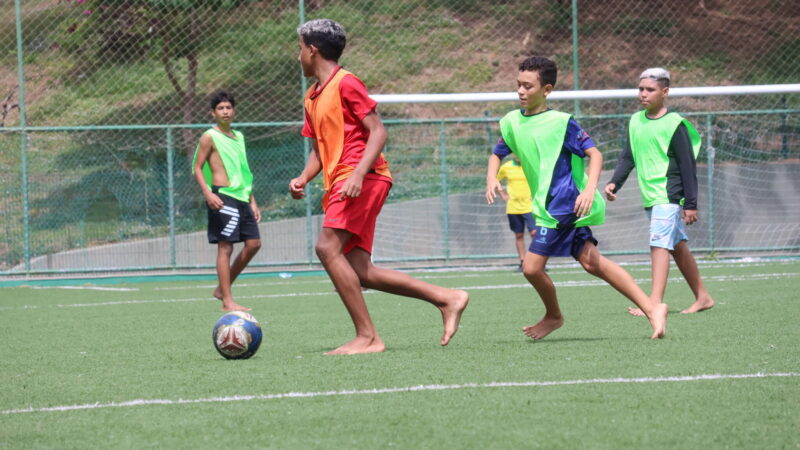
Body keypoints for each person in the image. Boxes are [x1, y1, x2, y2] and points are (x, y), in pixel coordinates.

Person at [289, 19, 469, 355]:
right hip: (343, 181)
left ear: (312, 50)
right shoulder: (311, 97)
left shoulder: (346, 83)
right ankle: (447, 298)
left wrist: (357, 173)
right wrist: (303, 177)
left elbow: (378, 131)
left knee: (327, 248)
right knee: (362, 271)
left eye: (299, 49)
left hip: (362, 178)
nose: (296, 57)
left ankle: (368, 337)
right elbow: (318, 150)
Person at [485, 56, 668, 340]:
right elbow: (497, 152)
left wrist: (588, 189)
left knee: (532, 268)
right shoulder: (511, 122)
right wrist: (491, 177)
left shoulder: (562, 123)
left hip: (564, 204)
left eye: (528, 86)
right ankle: (651, 308)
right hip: (547, 205)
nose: (521, 91)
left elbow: (594, 154)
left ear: (546, 90)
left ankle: (554, 315)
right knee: (592, 262)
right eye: (518, 85)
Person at [604, 67, 714, 316]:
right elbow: (627, 156)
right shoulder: (635, 120)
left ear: (665, 92)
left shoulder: (675, 124)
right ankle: (703, 296)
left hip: (668, 195)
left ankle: (653, 303)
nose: (643, 94)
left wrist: (691, 203)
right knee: (677, 247)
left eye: (650, 90)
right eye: (641, 89)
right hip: (650, 196)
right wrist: (614, 182)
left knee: (658, 245)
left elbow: (688, 165)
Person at [192, 90, 261, 312]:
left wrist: (252, 200)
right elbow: (197, 168)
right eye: (220, 108)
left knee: (254, 244)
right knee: (226, 247)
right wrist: (208, 193)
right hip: (223, 197)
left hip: (242, 197)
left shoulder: (239, 136)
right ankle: (227, 301)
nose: (225, 111)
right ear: (213, 113)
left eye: (228, 107)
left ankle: (222, 287)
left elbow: (244, 171)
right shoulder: (209, 136)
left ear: (234, 111)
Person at [494, 156, 536, 271]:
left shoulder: (530, 165)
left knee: (534, 233)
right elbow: (495, 180)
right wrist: (503, 195)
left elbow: (538, 180)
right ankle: (523, 262)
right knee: (519, 235)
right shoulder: (506, 167)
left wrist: (535, 196)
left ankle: (537, 262)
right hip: (513, 207)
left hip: (529, 207)